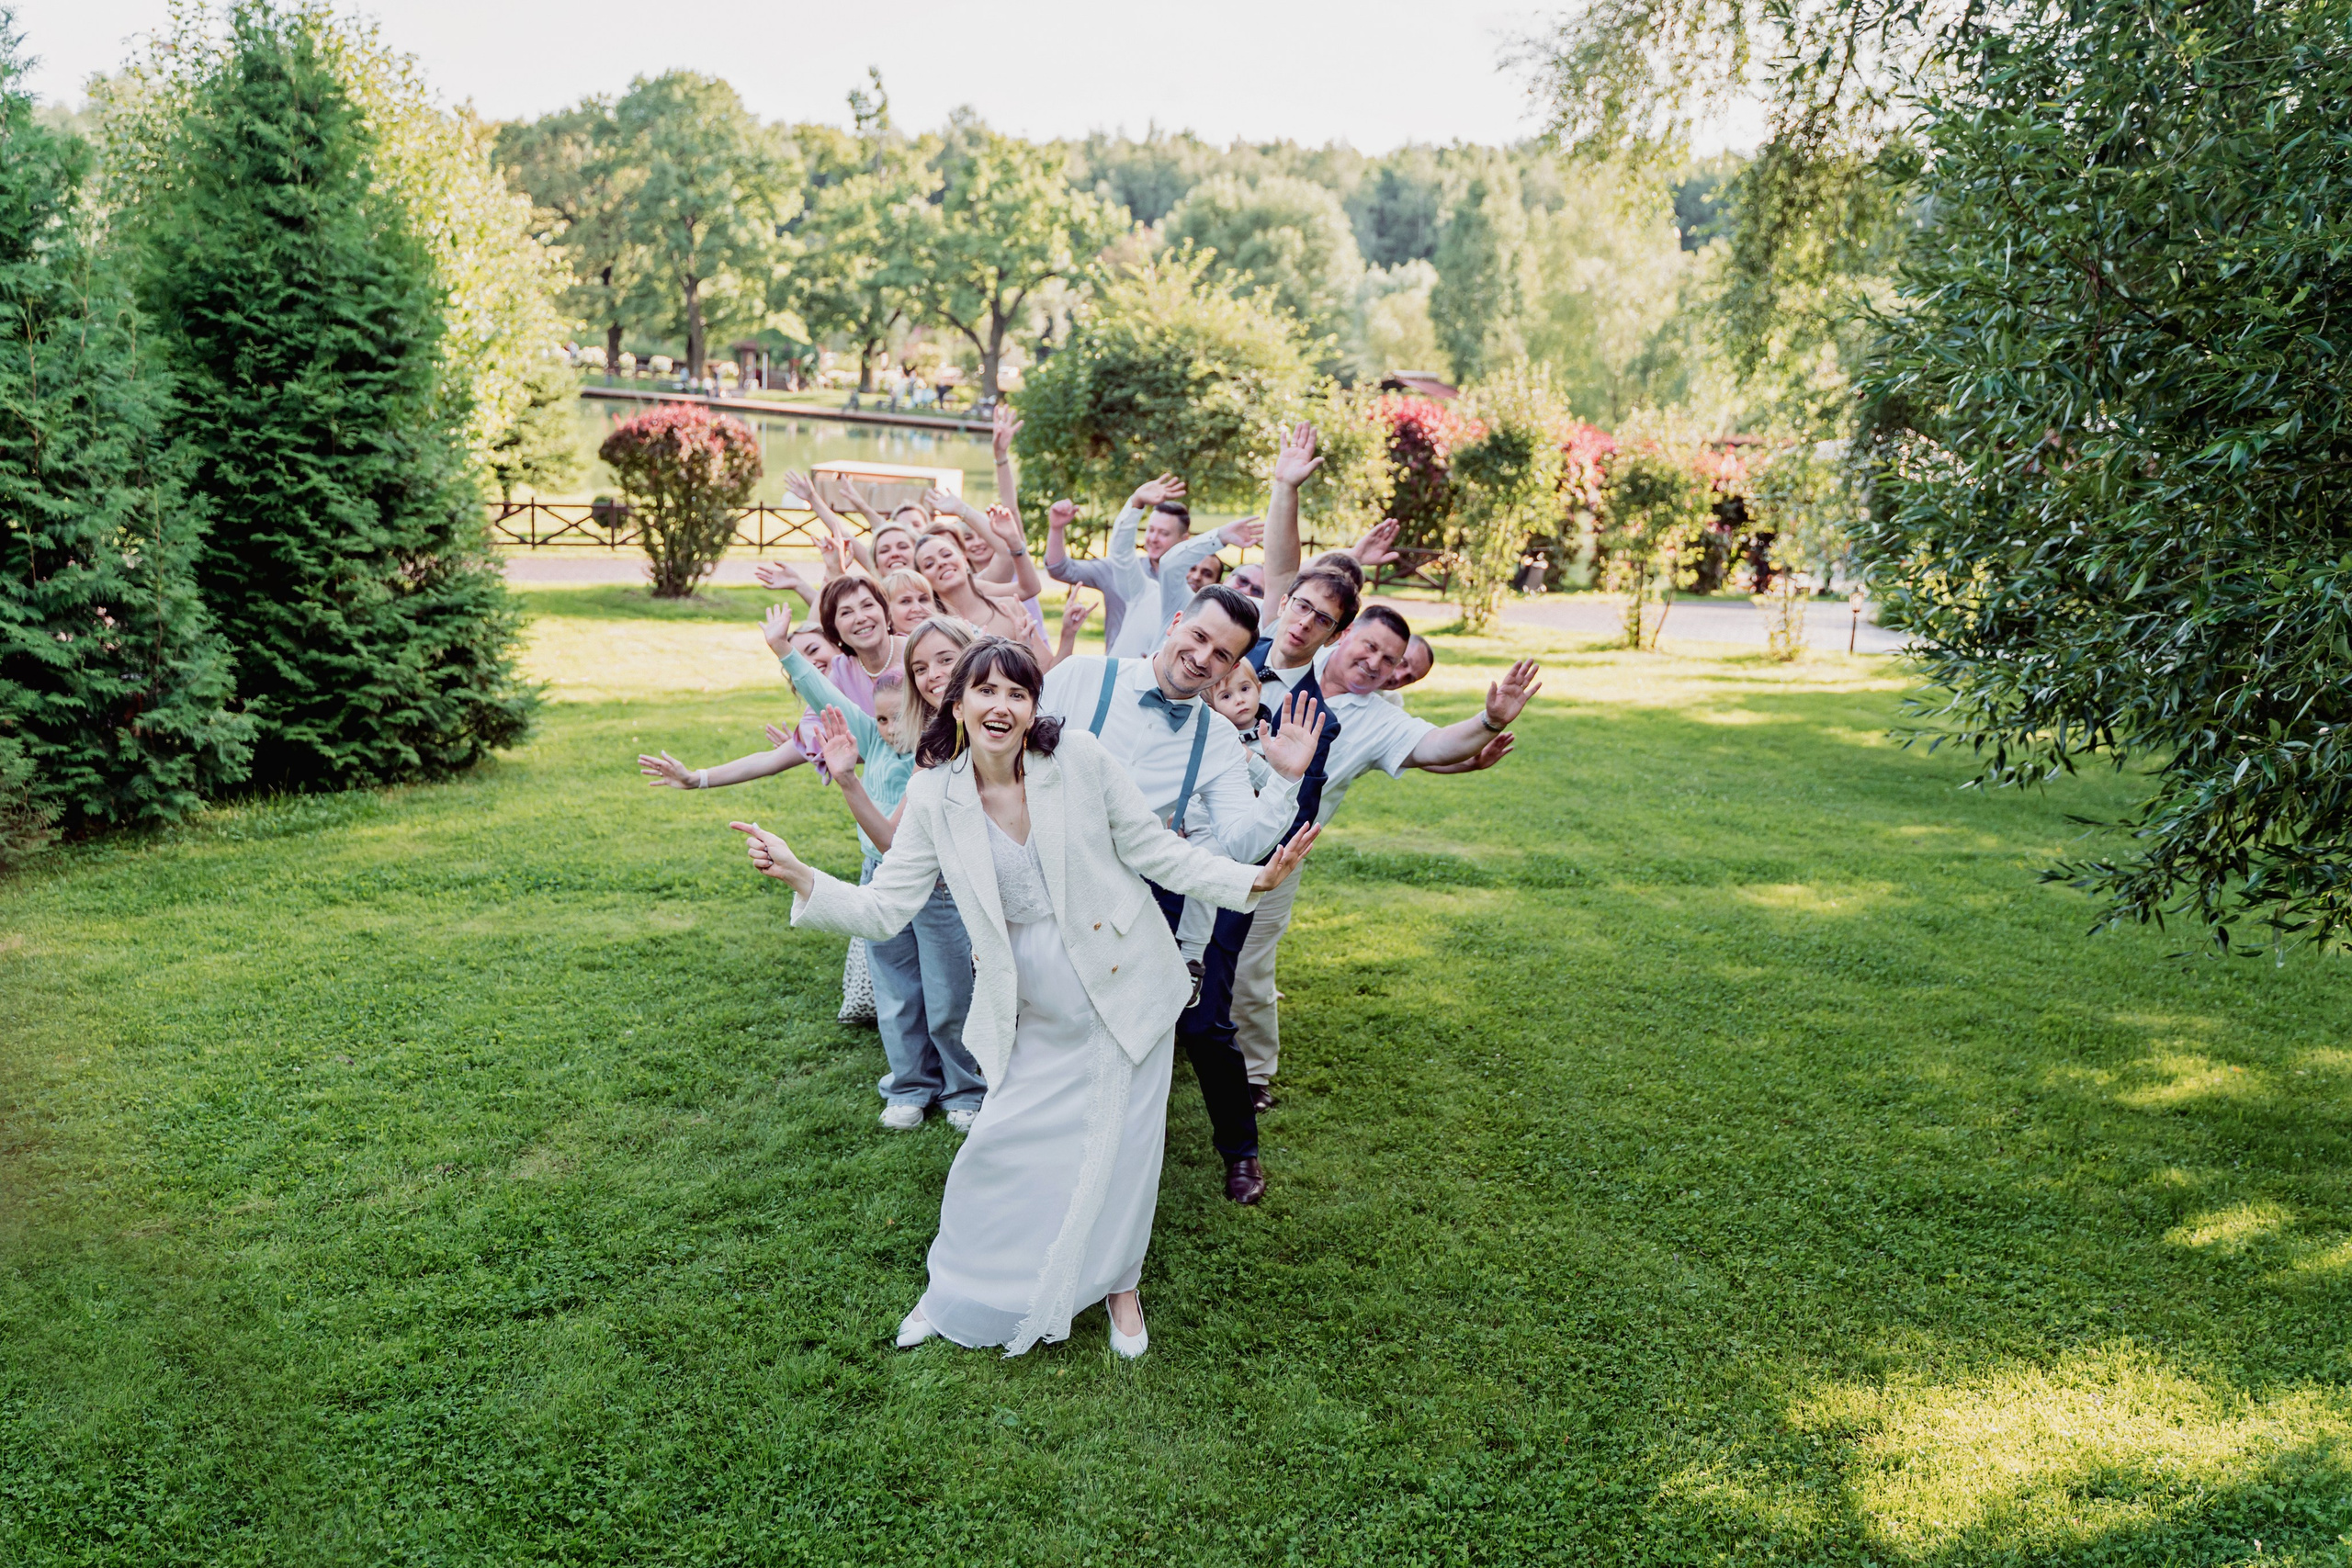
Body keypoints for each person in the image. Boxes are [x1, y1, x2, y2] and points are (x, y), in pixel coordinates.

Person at [732, 637, 1322, 1358]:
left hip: (1128, 976)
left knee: (1124, 1149)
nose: (1002, 704)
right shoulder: (933, 793)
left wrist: (1249, 882)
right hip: (1033, 994)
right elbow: (887, 908)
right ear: (957, 703)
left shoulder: (1078, 760)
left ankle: (1121, 1285)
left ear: (1034, 706)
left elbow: (1155, 851)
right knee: (998, 1144)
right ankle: (953, 1287)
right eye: (986, 690)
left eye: (1018, 692)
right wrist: (803, 878)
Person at [1036, 583, 1325, 1203]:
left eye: (1222, 655)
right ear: (1175, 622)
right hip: (1044, 887)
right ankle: (1047, 1156)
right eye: (1198, 637)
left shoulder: (1214, 738)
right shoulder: (1082, 677)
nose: (1203, 658)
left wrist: (1282, 779)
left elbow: (1241, 838)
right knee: (1047, 1028)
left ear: (1233, 667)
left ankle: (1149, 1167)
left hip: (1136, 901)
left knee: (1149, 1032)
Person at [768, 605, 987, 1130]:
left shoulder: (969, 739)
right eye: (922, 669)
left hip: (941, 887)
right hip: (883, 876)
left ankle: (964, 1089)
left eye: (946, 662)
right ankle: (910, 1085)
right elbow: (830, 700)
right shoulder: (894, 741)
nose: (934, 675)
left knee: (950, 991)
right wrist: (784, 651)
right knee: (895, 989)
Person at [915, 527, 1041, 646]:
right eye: (929, 564)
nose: (941, 563)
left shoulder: (1008, 609)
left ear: (965, 561)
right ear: (923, 579)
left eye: (947, 554)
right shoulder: (931, 633)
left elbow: (1047, 667)